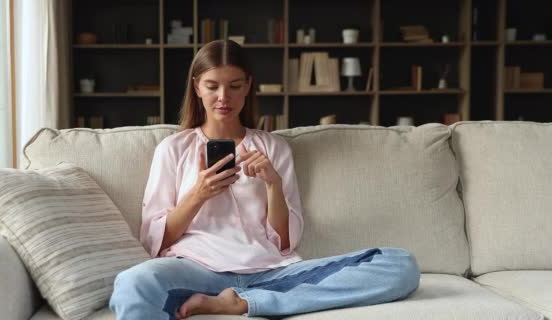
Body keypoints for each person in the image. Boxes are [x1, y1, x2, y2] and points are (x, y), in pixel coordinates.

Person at [109, 40, 420, 320]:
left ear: (248, 86)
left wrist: (273, 184)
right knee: (132, 283)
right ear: (197, 87)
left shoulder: (274, 148)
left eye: (234, 85)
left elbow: (285, 242)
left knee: (400, 264)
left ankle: (243, 303)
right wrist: (199, 194)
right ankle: (246, 299)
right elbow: (154, 240)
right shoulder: (173, 149)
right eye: (212, 86)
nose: (223, 97)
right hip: (196, 270)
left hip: (271, 272)